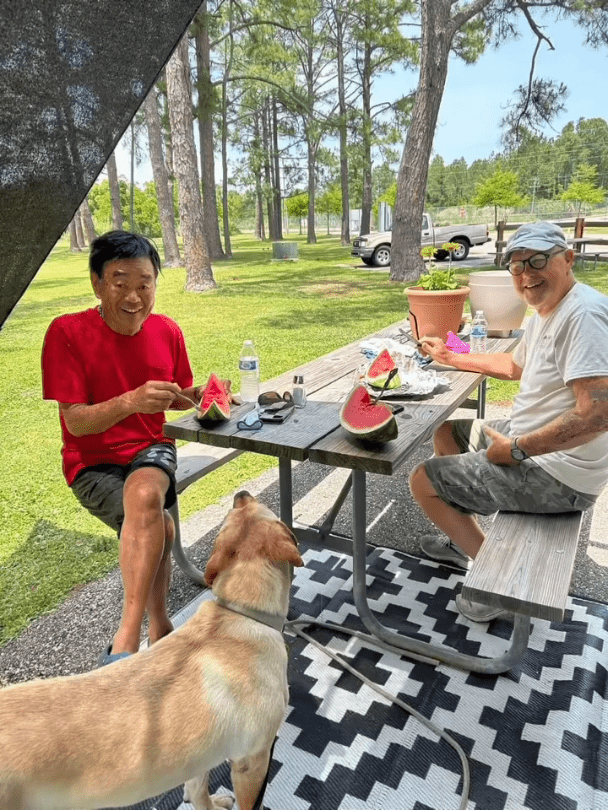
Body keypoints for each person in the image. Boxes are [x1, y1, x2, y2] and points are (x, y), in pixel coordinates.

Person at [409, 221, 608, 622]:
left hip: (558, 475)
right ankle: (462, 537)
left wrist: (516, 450)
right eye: (517, 266)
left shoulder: (584, 316)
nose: (526, 274)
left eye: (537, 261)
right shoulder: (546, 311)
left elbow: (600, 413)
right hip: (535, 451)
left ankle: (497, 578)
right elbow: (513, 366)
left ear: (568, 260)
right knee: (448, 432)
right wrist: (452, 356)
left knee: (422, 481)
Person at [42, 230, 209, 665]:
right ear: (98, 284)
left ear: (156, 282)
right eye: (121, 284)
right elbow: (76, 421)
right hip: (90, 461)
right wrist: (130, 401)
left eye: (144, 284)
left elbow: (176, 397)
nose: (135, 297)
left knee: (144, 494)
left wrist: (205, 393)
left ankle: (126, 637)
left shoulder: (167, 330)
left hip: (151, 448)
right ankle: (159, 624)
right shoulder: (66, 332)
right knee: (163, 529)